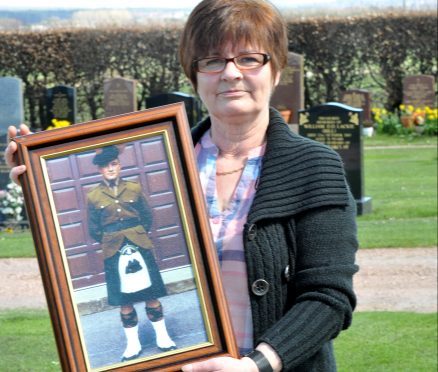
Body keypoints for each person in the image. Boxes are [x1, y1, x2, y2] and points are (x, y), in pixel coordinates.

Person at [6, 0, 359, 370]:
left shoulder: (314, 167)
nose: (231, 73)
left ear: (276, 69)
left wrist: (256, 365)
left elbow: (328, 296)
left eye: (249, 58)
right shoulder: (163, 163)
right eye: (212, 60)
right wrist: (43, 181)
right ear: (195, 75)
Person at [86, 144, 176, 361]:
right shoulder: (94, 196)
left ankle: (163, 338)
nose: (110, 169)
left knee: (150, 294)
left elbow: (147, 217)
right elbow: (94, 229)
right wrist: (112, 239)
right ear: (99, 170)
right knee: (124, 300)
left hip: (139, 244)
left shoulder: (134, 188)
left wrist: (136, 234)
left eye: (114, 164)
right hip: (112, 248)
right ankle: (133, 345)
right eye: (105, 166)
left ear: (119, 165)